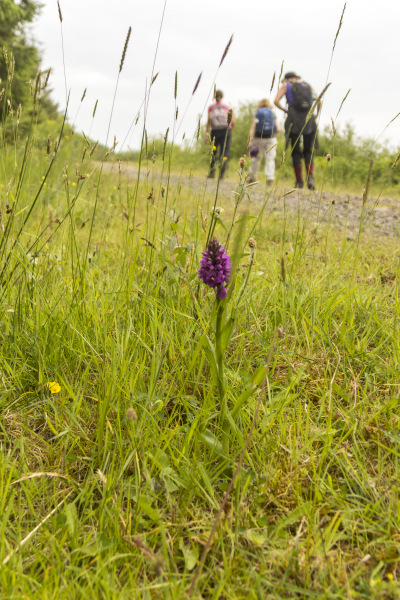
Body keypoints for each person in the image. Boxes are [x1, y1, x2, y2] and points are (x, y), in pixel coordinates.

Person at [274, 72, 321, 190]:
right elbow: (319, 101)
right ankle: (310, 178)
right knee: (308, 151)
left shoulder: (286, 85)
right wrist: (316, 116)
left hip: (293, 120)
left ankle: (299, 182)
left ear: (287, 79)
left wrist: (286, 111)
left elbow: (276, 101)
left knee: (295, 151)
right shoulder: (307, 86)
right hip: (309, 120)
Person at [247, 99, 280, 185]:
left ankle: (252, 177)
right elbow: (278, 128)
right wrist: (273, 135)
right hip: (271, 138)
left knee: (256, 158)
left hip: (258, 138)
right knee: (270, 159)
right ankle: (270, 178)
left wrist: (250, 140)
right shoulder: (272, 112)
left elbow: (254, 126)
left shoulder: (258, 112)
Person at [205, 90, 235, 179]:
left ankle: (211, 172)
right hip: (225, 132)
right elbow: (233, 122)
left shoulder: (211, 108)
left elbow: (208, 122)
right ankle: (221, 174)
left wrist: (206, 135)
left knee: (213, 152)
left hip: (215, 132)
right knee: (224, 152)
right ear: (222, 97)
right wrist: (230, 131)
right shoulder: (226, 107)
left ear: (214, 97)